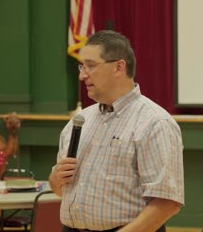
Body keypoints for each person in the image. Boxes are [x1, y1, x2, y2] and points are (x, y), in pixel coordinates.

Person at [49, 30, 184, 232]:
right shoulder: (79, 121)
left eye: (91, 66)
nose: (82, 75)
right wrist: (56, 179)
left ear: (119, 67)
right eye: (81, 66)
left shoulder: (155, 122)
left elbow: (167, 202)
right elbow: (59, 189)